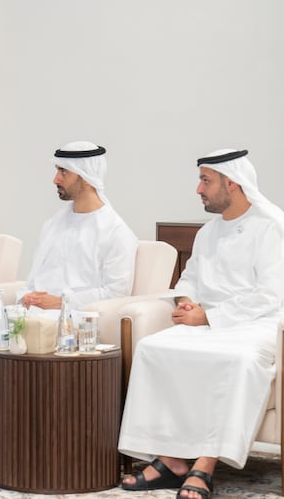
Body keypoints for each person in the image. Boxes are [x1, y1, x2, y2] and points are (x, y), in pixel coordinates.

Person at [0, 141, 138, 459]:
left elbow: (115, 294)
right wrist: (27, 295)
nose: (55, 179)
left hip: (71, 319)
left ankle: (16, 427)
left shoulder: (116, 231)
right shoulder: (53, 224)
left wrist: (61, 301)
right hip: (32, 311)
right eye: (57, 170)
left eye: (62, 172)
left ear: (84, 176)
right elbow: (35, 279)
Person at [119, 149, 284, 499]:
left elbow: (270, 295)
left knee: (236, 360)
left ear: (232, 183)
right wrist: (186, 302)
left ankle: (205, 464)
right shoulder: (208, 232)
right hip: (210, 323)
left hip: (258, 324)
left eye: (205, 181)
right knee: (153, 348)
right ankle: (171, 460)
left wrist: (208, 316)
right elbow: (190, 277)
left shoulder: (272, 226)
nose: (198, 189)